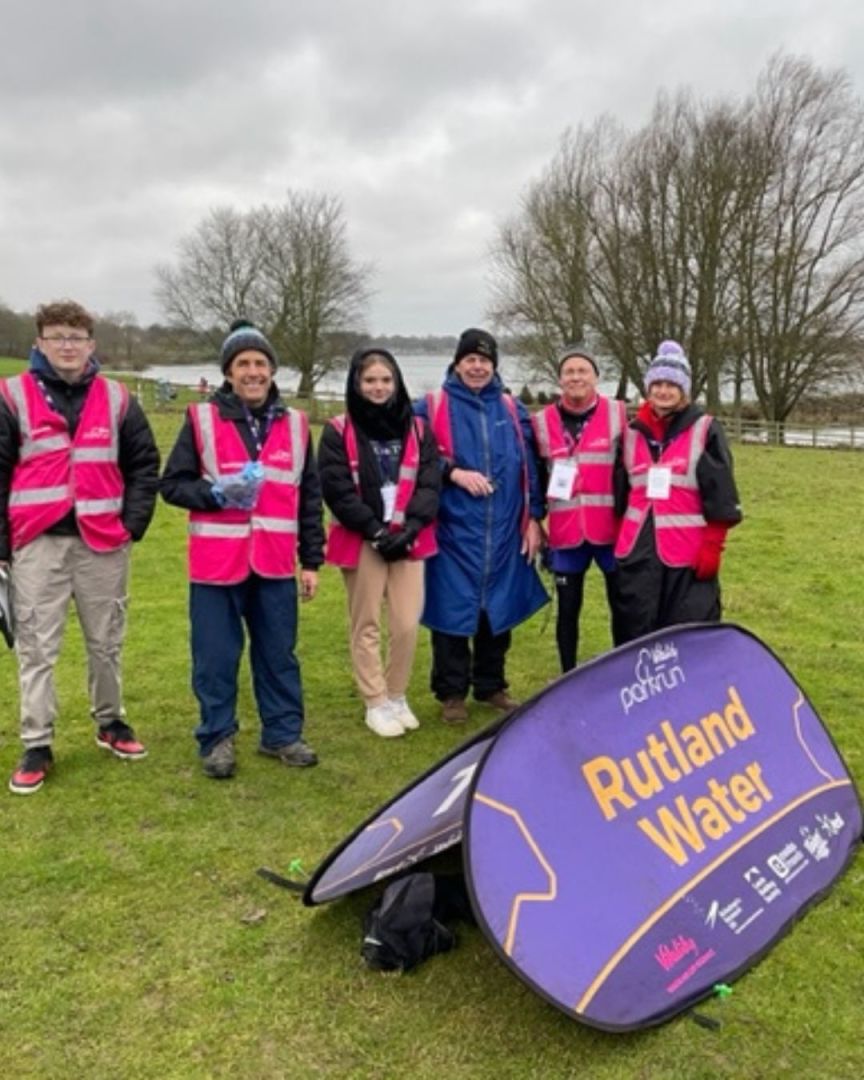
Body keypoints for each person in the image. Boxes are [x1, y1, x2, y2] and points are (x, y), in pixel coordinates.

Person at [0, 300, 159, 795]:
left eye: (76, 337)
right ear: (39, 343)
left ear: (91, 345)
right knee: (36, 647)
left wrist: (132, 524)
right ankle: (37, 743)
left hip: (103, 543)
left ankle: (111, 723)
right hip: (37, 544)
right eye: (57, 337)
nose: (67, 345)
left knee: (106, 642)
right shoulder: (11, 396)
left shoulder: (117, 398)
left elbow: (143, 465)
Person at [160, 319, 324, 779]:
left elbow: (308, 497)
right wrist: (214, 495)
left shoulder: (295, 425)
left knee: (278, 653)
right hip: (216, 564)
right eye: (242, 364)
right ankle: (216, 738)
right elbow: (170, 485)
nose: (253, 372)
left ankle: (282, 734)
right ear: (229, 373)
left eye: (260, 363)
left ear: (272, 370)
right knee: (215, 656)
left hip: (274, 562)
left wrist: (311, 560)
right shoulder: (201, 419)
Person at [415, 328, 547, 724]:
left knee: (497, 610)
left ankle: (491, 684)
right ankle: (451, 691)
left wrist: (534, 518)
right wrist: (451, 472)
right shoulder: (430, 407)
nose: (477, 367)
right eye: (470, 359)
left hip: (505, 529)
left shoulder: (511, 409)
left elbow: (531, 469)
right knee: (452, 611)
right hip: (453, 530)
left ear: (494, 366)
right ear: (457, 363)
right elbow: (413, 457)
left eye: (484, 360)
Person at [318, 347, 440, 737]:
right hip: (363, 537)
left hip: (408, 537)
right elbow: (336, 488)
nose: (378, 387)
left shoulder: (418, 428)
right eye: (370, 380)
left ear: (397, 382)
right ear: (356, 383)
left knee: (406, 622)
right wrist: (374, 530)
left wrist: (410, 526)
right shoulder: (338, 430)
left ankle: (397, 693)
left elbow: (429, 481)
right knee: (366, 623)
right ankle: (375, 700)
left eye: (386, 380)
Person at [614, 340, 742, 641]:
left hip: (687, 555)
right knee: (636, 633)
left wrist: (713, 546)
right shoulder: (631, 434)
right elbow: (620, 495)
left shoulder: (705, 429)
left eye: (671, 384)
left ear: (683, 390)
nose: (663, 391)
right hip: (638, 553)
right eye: (656, 383)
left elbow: (721, 493)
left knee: (687, 636)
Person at [533, 345, 627, 671]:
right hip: (566, 533)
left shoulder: (619, 414)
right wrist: (533, 519)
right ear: (559, 379)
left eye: (582, 371)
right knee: (568, 610)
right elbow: (533, 477)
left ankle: (626, 672)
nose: (576, 377)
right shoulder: (540, 422)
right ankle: (567, 675)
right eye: (569, 372)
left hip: (611, 532)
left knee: (623, 607)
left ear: (596, 377)